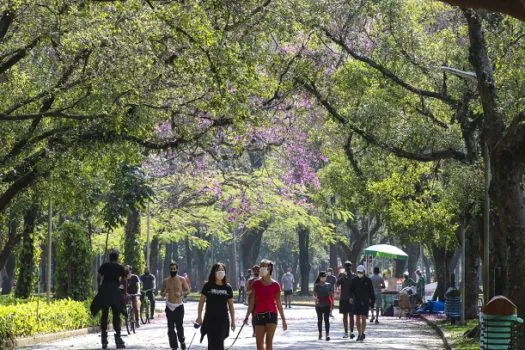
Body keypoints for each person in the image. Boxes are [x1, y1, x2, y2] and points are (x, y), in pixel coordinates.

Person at [244, 259, 287, 350]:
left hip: (271, 315)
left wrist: (283, 319)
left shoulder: (276, 285)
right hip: (259, 315)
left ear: (269, 268)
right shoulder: (256, 284)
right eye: (261, 266)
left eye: (264, 266)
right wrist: (247, 316)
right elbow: (252, 302)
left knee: (269, 341)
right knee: (259, 343)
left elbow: (279, 303)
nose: (262, 268)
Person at [196, 263, 236, 350]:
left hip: (223, 320)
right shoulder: (208, 286)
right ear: (214, 272)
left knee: (219, 342)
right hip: (210, 319)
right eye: (218, 270)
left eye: (222, 270)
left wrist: (233, 320)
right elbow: (201, 302)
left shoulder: (228, 287)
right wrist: (199, 317)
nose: (220, 272)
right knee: (211, 342)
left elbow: (231, 306)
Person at [94, 250, 127, 349]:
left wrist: (100, 288)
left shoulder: (104, 266)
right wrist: (125, 292)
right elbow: (124, 280)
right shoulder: (120, 267)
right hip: (115, 291)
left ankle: (104, 338)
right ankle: (118, 337)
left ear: (109, 258)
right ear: (117, 258)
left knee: (105, 313)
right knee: (116, 313)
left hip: (105, 290)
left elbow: (99, 277)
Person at [161, 262, 190, 350]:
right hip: (169, 306)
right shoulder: (165, 281)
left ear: (177, 269)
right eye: (171, 269)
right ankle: (174, 346)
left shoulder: (182, 279)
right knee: (170, 328)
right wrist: (165, 292)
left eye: (174, 269)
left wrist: (181, 293)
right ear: (169, 270)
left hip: (179, 306)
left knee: (179, 327)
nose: (173, 270)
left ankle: (182, 341)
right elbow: (161, 294)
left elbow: (188, 290)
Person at [349, 265, 375, 341]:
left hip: (365, 301)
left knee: (363, 318)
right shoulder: (354, 280)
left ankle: (362, 333)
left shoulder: (368, 280)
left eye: (361, 272)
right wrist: (350, 297)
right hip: (357, 301)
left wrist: (372, 302)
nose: (359, 273)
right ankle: (359, 333)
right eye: (358, 272)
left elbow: (371, 292)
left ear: (364, 272)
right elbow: (351, 290)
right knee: (357, 318)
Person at [336, 261, 356, 339]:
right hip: (344, 298)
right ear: (344, 267)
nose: (348, 267)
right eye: (346, 266)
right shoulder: (342, 275)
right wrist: (342, 277)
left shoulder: (354, 275)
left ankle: (351, 332)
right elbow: (337, 284)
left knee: (351, 316)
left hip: (351, 298)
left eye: (349, 266)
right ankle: (345, 332)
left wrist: (353, 297)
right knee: (345, 316)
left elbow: (355, 288)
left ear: (351, 267)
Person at [313, 271, 334, 341]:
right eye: (322, 277)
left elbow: (331, 294)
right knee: (320, 320)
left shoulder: (329, 285)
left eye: (324, 277)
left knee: (326, 320)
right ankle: (320, 333)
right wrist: (315, 298)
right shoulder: (316, 285)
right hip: (319, 305)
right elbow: (314, 294)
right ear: (320, 277)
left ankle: (327, 334)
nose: (323, 278)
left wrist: (332, 304)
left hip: (327, 304)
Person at [245, 265, 260, 337]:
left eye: (257, 270)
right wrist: (253, 286)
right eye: (255, 270)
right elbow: (247, 291)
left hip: (260, 301)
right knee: (253, 316)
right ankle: (254, 331)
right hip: (252, 301)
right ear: (252, 272)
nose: (256, 272)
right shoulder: (250, 280)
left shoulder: (262, 280)